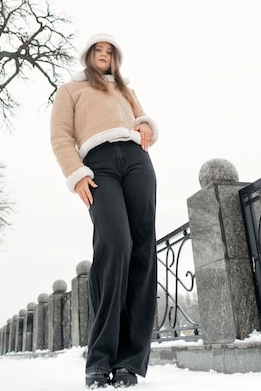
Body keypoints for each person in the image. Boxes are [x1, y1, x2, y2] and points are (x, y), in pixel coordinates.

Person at [50, 33, 158, 388]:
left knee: (142, 248)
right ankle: (99, 358)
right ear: (88, 55)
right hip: (98, 165)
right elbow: (61, 135)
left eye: (109, 51)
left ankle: (130, 362)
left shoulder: (124, 89)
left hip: (135, 160)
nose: (103, 54)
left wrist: (144, 125)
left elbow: (143, 121)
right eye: (98, 50)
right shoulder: (70, 90)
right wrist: (76, 174)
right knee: (115, 244)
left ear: (115, 58)